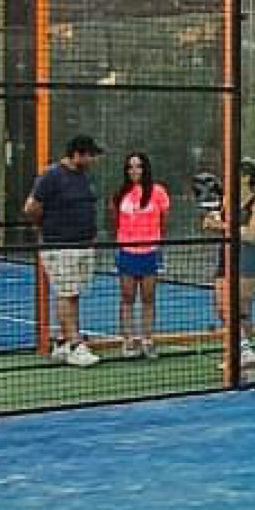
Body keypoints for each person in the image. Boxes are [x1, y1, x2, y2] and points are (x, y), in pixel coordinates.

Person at [23, 135, 103, 367]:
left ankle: (62, 342)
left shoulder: (83, 177)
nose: (93, 160)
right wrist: (47, 227)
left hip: (83, 244)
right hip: (59, 246)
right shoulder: (51, 176)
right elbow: (31, 208)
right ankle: (76, 345)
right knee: (65, 293)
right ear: (77, 154)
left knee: (73, 293)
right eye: (90, 155)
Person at [204, 157, 255, 370]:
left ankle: (243, 351)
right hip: (224, 258)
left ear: (246, 178)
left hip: (246, 261)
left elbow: (251, 235)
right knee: (222, 308)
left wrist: (222, 225)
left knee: (240, 310)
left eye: (235, 174)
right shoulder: (226, 201)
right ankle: (242, 352)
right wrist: (213, 222)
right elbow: (215, 224)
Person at [113, 150, 171, 360]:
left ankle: (148, 340)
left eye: (138, 166)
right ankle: (128, 340)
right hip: (127, 252)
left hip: (150, 253)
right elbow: (115, 220)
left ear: (145, 169)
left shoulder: (158, 192)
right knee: (127, 297)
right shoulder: (120, 194)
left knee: (148, 297)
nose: (134, 170)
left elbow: (164, 219)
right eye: (130, 167)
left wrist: (155, 242)